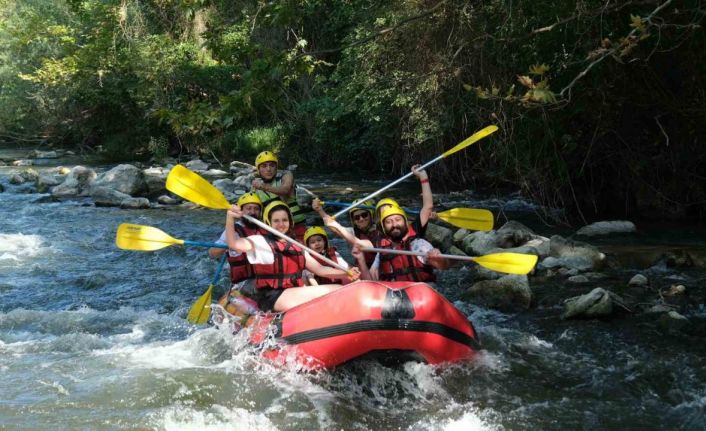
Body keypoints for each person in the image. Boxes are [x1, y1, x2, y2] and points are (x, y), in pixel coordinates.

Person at [225, 200, 361, 312]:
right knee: (337, 291)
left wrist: (346, 273)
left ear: (290, 222)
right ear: (269, 223)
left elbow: (320, 270)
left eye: (284, 220)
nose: (281, 224)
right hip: (272, 296)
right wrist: (230, 218)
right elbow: (233, 244)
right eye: (276, 221)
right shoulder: (259, 241)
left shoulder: (297, 246)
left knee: (342, 290)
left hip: (293, 291)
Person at [353, 205, 449, 282]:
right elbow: (369, 282)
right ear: (384, 228)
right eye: (388, 222)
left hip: (420, 295)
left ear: (405, 223)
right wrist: (361, 259)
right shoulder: (382, 251)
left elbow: (443, 266)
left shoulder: (419, 245)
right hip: (394, 297)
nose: (394, 225)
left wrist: (439, 259)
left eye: (398, 220)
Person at [208, 192, 264, 319]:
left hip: (264, 278)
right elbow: (212, 253)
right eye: (248, 208)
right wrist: (230, 243)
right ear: (241, 211)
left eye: (256, 209)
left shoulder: (265, 228)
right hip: (242, 283)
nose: (252, 212)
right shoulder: (233, 230)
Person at [251, 151, 308, 241]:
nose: (268, 169)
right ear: (258, 169)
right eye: (264, 166)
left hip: (297, 228)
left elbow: (285, 190)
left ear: (276, 167)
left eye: (272, 165)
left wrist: (262, 186)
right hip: (274, 232)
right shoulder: (255, 190)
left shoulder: (286, 176)